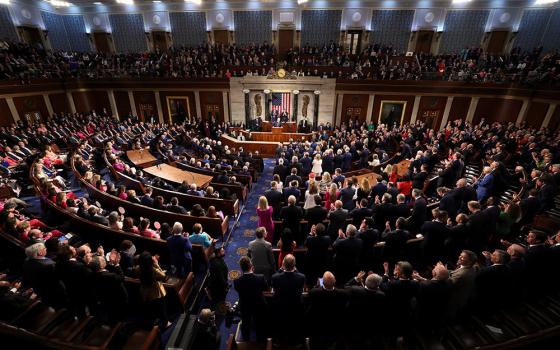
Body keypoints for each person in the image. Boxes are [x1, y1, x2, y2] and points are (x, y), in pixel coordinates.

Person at [306, 271, 348, 348]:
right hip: (335, 328)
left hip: (318, 328)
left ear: (322, 282)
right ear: (335, 281)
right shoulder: (343, 294)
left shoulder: (314, 292)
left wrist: (316, 286)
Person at [271, 254, 305, 344]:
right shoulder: (301, 277)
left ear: (283, 264)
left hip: (280, 306)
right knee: (294, 324)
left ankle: (280, 340)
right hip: (295, 305)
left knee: (281, 324)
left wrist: (280, 269)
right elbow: (298, 276)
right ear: (294, 265)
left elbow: (274, 284)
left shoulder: (275, 277)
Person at [233, 256, 268, 342]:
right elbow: (266, 288)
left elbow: (239, 291)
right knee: (259, 324)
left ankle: (246, 341)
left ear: (241, 268)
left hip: (245, 307)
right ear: (251, 265)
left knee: (245, 324)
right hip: (259, 305)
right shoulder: (261, 278)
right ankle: (260, 341)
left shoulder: (237, 281)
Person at [134, 252, 169, 328]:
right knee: (162, 309)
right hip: (156, 293)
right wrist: (156, 264)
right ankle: (165, 323)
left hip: (144, 292)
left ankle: (153, 322)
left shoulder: (137, 268)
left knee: (150, 308)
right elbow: (164, 276)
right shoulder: (154, 270)